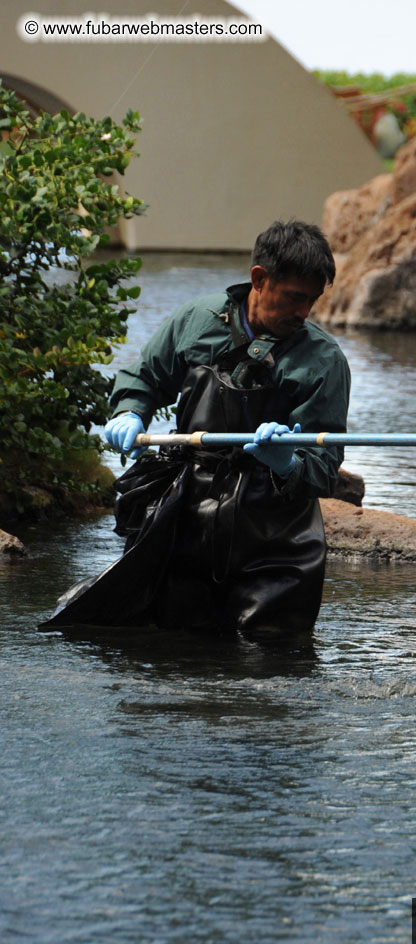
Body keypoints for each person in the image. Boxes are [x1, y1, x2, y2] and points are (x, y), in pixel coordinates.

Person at [42, 220, 351, 637]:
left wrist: (287, 463)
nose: (304, 312)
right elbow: (144, 377)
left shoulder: (324, 361)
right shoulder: (198, 321)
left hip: (275, 541)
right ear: (259, 278)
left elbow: (324, 467)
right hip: (186, 516)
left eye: (312, 300)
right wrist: (130, 412)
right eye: (295, 296)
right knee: (160, 642)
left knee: (270, 660)